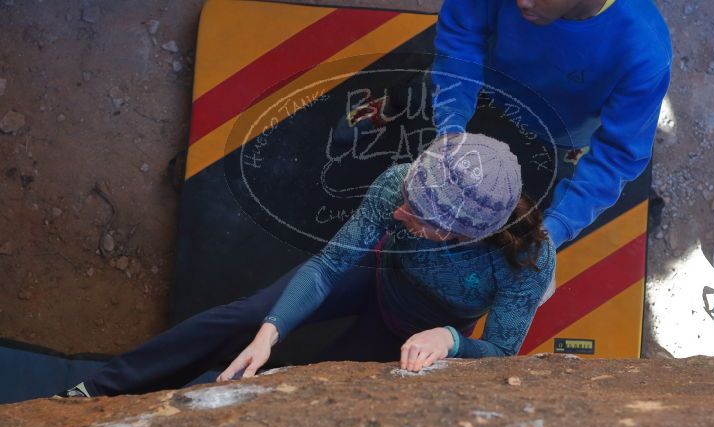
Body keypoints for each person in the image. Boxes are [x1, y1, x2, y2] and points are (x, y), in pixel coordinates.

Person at [59, 134, 555, 398]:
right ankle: (97, 388)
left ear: (463, 232)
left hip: (420, 331)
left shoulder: (525, 262)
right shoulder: (401, 183)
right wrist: (270, 329)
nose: (400, 213)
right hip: (375, 277)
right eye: (407, 198)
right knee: (246, 319)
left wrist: (451, 340)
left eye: (418, 217)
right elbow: (330, 264)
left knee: (319, 383)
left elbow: (501, 352)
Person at [428, 0, 672, 250]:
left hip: (558, 138)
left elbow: (616, 156)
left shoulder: (644, 54)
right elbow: (462, 33)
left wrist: (553, 229)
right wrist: (451, 122)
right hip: (485, 91)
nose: (522, 2)